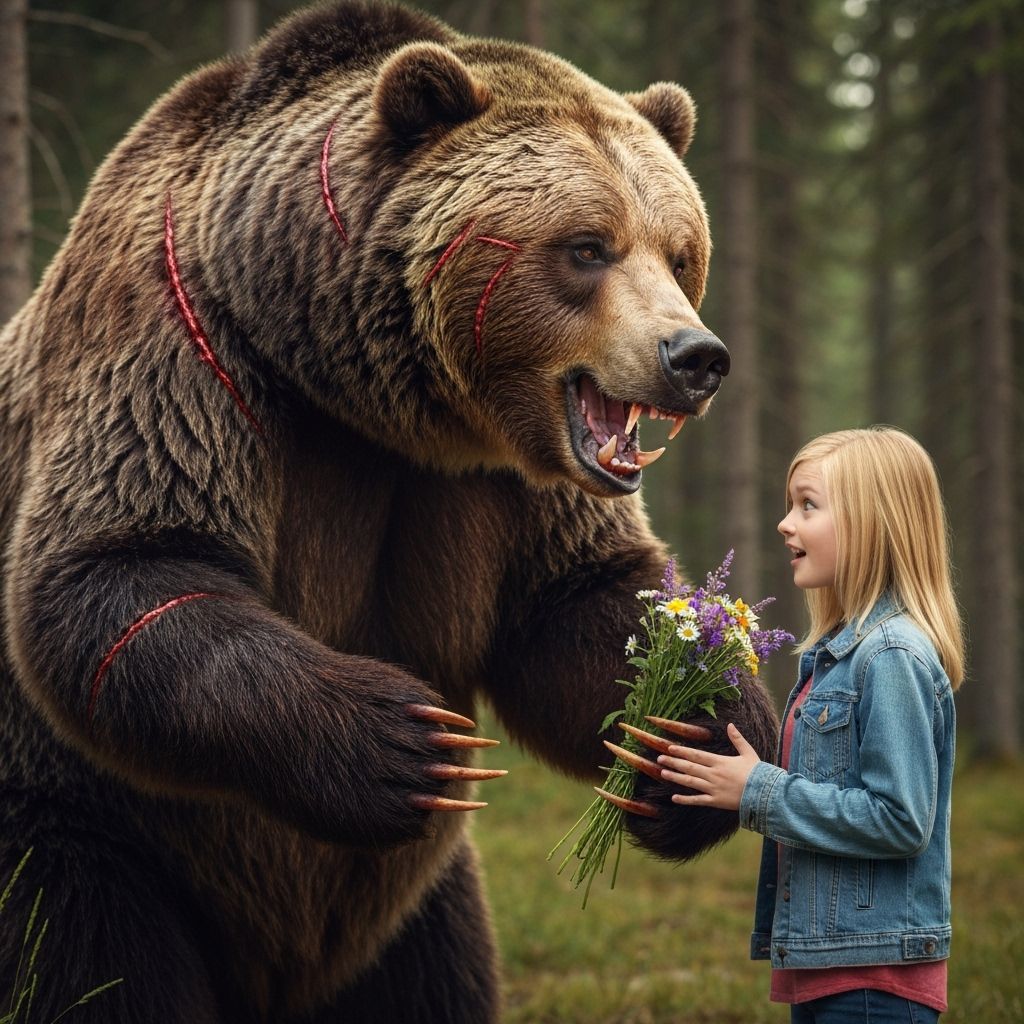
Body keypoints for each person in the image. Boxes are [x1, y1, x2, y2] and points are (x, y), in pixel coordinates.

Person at [657, 427, 964, 1024]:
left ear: (870, 523)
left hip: (874, 981)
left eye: (807, 504)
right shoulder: (839, 657)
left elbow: (901, 819)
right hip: (833, 966)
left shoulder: (890, 656)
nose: (784, 523)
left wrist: (759, 790)